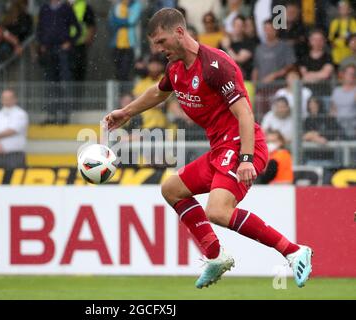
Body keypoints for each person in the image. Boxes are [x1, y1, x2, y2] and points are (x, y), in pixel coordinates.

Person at [103, 8, 312, 289]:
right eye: (155, 44)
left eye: (161, 41)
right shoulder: (176, 68)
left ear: (179, 33)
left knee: (218, 210)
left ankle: (294, 251)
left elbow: (245, 115)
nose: (158, 49)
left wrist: (247, 159)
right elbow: (158, 91)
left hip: (241, 144)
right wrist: (126, 112)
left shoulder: (216, 66)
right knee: (171, 190)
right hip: (219, 149)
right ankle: (216, 257)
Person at [0, 90, 29, 169]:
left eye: (9, 98)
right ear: (1, 100)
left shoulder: (21, 114)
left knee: (15, 180)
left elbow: (12, 131)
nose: (6, 100)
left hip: (15, 155)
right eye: (4, 98)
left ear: (15, 99)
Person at [108, 0, 142, 81]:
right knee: (117, 71)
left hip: (129, 45)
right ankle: (121, 92)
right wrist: (123, 21)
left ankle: (125, 92)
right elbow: (111, 22)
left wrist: (118, 20)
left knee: (125, 71)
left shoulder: (136, 5)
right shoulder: (117, 5)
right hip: (116, 44)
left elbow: (131, 21)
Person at [69, 0, 96, 81]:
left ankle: (77, 93)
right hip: (66, 45)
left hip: (80, 45)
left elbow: (91, 25)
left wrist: (88, 40)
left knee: (78, 72)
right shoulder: (65, 6)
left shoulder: (85, 7)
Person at [330, 64, 356, 138]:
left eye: (354, 74)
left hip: (353, 126)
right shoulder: (336, 91)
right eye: (350, 73)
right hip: (338, 127)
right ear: (343, 75)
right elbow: (333, 110)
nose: (352, 76)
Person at [328, 0, 356, 65]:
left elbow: (354, 38)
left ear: (349, 10)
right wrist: (333, 44)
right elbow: (331, 38)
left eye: (345, 8)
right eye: (341, 8)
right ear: (338, 10)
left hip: (349, 53)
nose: (343, 10)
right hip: (337, 54)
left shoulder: (353, 22)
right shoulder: (334, 23)